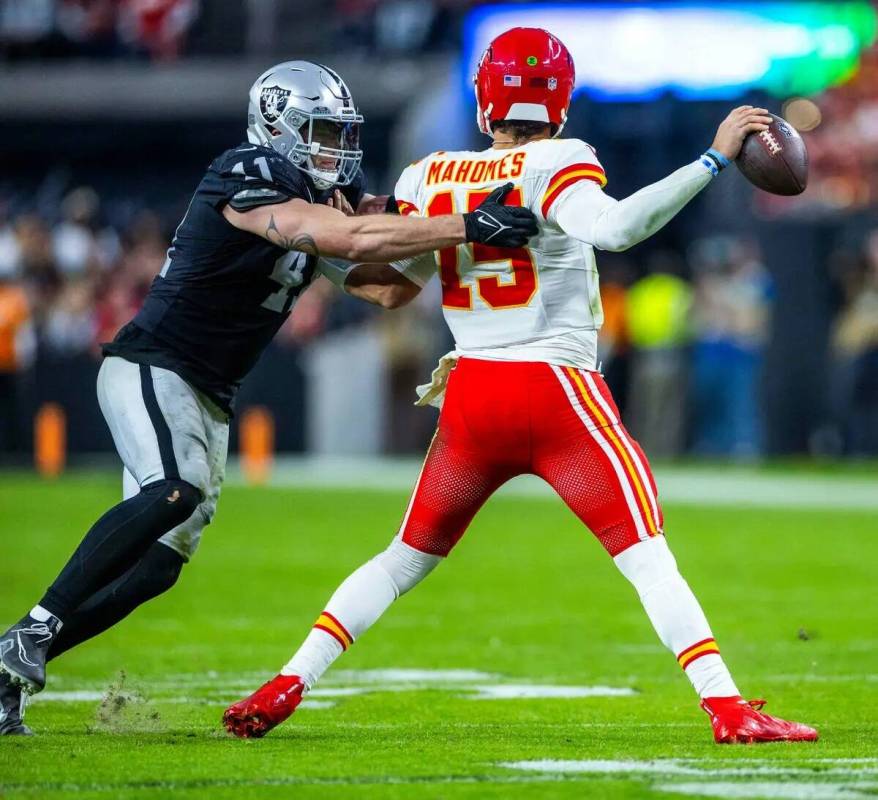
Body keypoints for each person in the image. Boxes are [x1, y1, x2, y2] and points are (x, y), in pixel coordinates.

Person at [223, 29, 818, 745]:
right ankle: (726, 707)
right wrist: (712, 158)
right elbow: (620, 229)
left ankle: (288, 682)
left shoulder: (428, 175)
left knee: (402, 560)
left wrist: (311, 244)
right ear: (560, 102)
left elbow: (384, 287)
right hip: (556, 391)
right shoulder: (561, 159)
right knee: (647, 557)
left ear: (483, 101)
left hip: (473, 396)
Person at [0, 60, 537, 735]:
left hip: (210, 395)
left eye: (342, 133)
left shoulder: (323, 194)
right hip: (153, 364)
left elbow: (384, 286)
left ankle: (15, 662)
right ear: (277, 125)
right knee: (176, 486)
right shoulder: (247, 173)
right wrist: (463, 224)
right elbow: (346, 237)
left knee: (160, 566)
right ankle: (35, 629)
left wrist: (454, 246)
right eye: (320, 132)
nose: (336, 149)